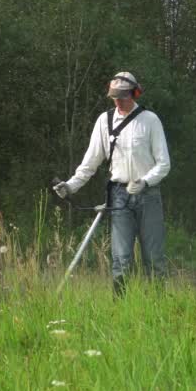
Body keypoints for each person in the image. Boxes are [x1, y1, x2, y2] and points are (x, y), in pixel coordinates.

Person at [53, 72, 171, 295]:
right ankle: (120, 308)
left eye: (123, 97)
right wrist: (70, 186)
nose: (118, 101)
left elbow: (164, 164)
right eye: (115, 97)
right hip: (118, 196)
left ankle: (159, 307)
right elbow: (90, 163)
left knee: (154, 258)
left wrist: (145, 181)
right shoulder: (104, 121)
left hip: (148, 195)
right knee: (121, 258)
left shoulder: (150, 120)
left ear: (134, 93)